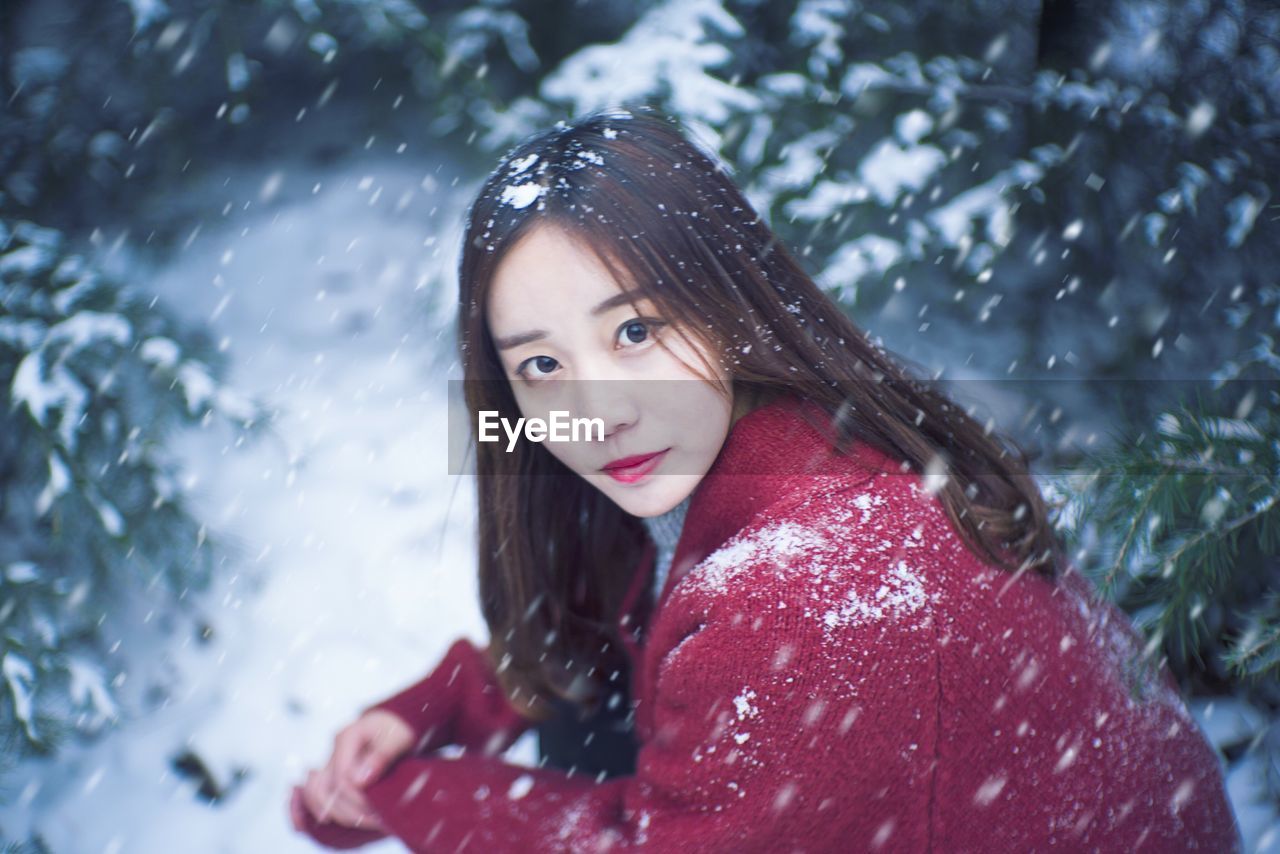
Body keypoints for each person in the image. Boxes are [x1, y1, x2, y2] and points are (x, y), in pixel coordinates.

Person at [288, 106, 1241, 851]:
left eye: (634, 331)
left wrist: (409, 796)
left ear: (723, 302)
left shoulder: (803, 592)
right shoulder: (793, 431)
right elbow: (619, 614)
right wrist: (461, 699)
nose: (600, 405)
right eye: (540, 365)